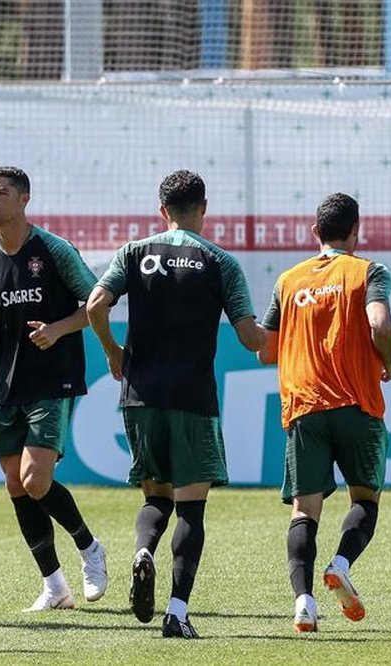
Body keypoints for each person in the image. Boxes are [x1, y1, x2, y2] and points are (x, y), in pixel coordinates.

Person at [86, 170, 265, 638]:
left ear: (161, 210)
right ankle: (177, 613)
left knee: (155, 496)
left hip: (140, 396)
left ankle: (144, 551)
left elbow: (94, 305)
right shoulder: (219, 261)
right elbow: (250, 339)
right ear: (204, 207)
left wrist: (112, 350)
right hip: (193, 398)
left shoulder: (134, 252)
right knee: (191, 509)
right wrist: (283, 333)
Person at [0, 166, 108, 612]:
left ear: (24, 199)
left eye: (0, 192)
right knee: (15, 486)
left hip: (53, 380)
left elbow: (98, 303)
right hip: (8, 386)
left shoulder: (54, 250)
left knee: (34, 479)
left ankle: (90, 549)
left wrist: (59, 329)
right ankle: (55, 587)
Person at [256, 193, 391, 633]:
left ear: (315, 231)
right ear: (357, 230)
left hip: (305, 407)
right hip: (356, 404)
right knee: (365, 500)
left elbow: (266, 350)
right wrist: (387, 358)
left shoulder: (288, 280)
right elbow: (379, 323)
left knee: (304, 511)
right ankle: (340, 563)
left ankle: (303, 605)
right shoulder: (368, 270)